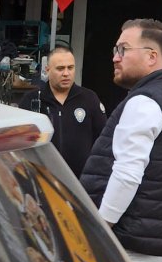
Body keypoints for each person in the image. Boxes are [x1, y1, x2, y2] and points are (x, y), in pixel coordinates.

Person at [80, 19, 162, 262]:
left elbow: (127, 175)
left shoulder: (145, 102)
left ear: (151, 56)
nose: (115, 57)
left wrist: (100, 227)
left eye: (123, 49)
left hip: (136, 246)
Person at [19, 46, 106, 177]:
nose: (66, 73)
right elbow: (19, 143)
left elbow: (103, 141)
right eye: (60, 68)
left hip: (81, 181)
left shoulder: (89, 99)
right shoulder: (32, 100)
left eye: (70, 68)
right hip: (42, 178)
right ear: (47, 70)